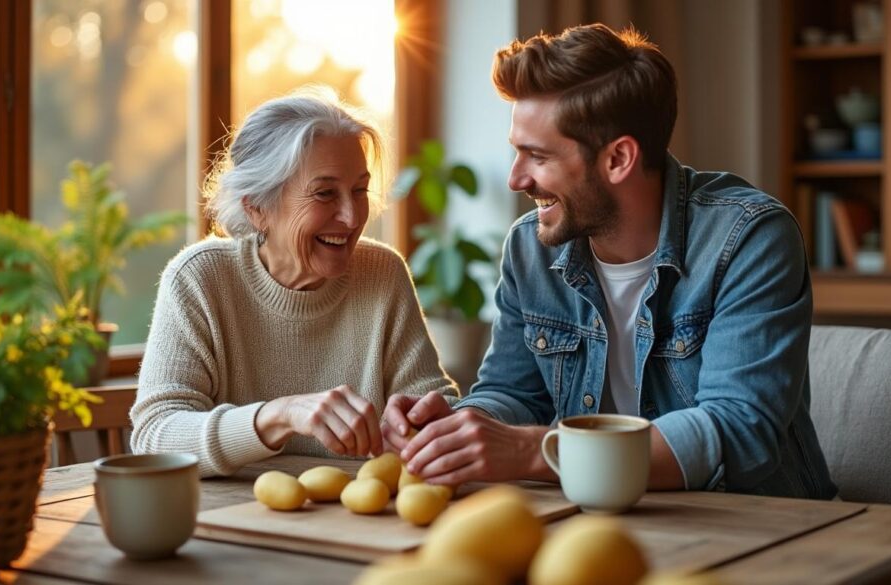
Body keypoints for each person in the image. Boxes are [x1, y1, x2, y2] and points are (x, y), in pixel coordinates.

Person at [382, 24, 837, 499]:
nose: (516, 179)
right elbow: (513, 394)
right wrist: (459, 428)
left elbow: (737, 430)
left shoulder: (748, 237)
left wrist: (535, 451)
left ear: (618, 158)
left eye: (536, 156)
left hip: (758, 527)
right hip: (602, 524)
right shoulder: (531, 248)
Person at [131, 87, 457, 477]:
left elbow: (436, 406)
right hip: (227, 521)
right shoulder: (200, 279)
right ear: (257, 208)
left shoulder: (382, 273)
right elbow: (155, 435)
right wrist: (279, 416)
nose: (352, 218)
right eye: (324, 193)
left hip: (362, 522)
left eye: (359, 190)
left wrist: (422, 425)